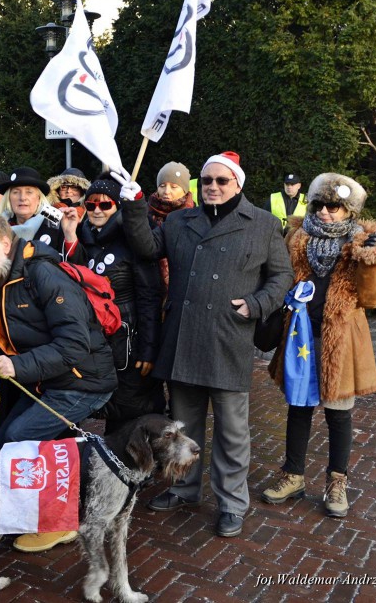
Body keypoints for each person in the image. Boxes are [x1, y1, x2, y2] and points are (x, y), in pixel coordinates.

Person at [118, 151, 292, 539]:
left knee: (232, 432)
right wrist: (133, 205)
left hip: (229, 339)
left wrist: (256, 304)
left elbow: (282, 277)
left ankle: (232, 503)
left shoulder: (262, 223)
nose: (213, 186)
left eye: (221, 181)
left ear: (238, 185)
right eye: (207, 180)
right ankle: (183, 488)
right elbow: (147, 248)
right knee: (184, 427)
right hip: (183, 337)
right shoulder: (180, 220)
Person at [0, 215, 116, 552]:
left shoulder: (44, 274)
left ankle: (58, 524)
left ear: (5, 245)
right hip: (48, 380)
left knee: (22, 437)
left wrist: (17, 366)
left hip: (82, 381)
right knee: (2, 442)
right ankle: (22, 516)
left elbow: (75, 345)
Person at [261, 173, 376, 518]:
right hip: (300, 336)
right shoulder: (298, 235)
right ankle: (293, 475)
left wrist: (371, 261)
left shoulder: (362, 241)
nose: (324, 211)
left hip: (342, 339)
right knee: (299, 407)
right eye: (319, 204)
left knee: (339, 415)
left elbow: (374, 297)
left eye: (333, 206)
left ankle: (337, 481)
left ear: (347, 210)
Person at [68, 178, 163, 432]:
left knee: (131, 410)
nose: (97, 210)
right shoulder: (81, 236)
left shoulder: (132, 240)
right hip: (94, 340)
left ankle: (137, 467)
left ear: (118, 206)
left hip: (129, 339)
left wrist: (148, 349)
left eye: (105, 204)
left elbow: (150, 296)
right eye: (90, 204)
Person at [146, 162, 194, 294]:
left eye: (174, 187)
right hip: (149, 285)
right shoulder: (145, 214)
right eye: (162, 186)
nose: (167, 192)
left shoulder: (194, 217)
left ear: (184, 190)